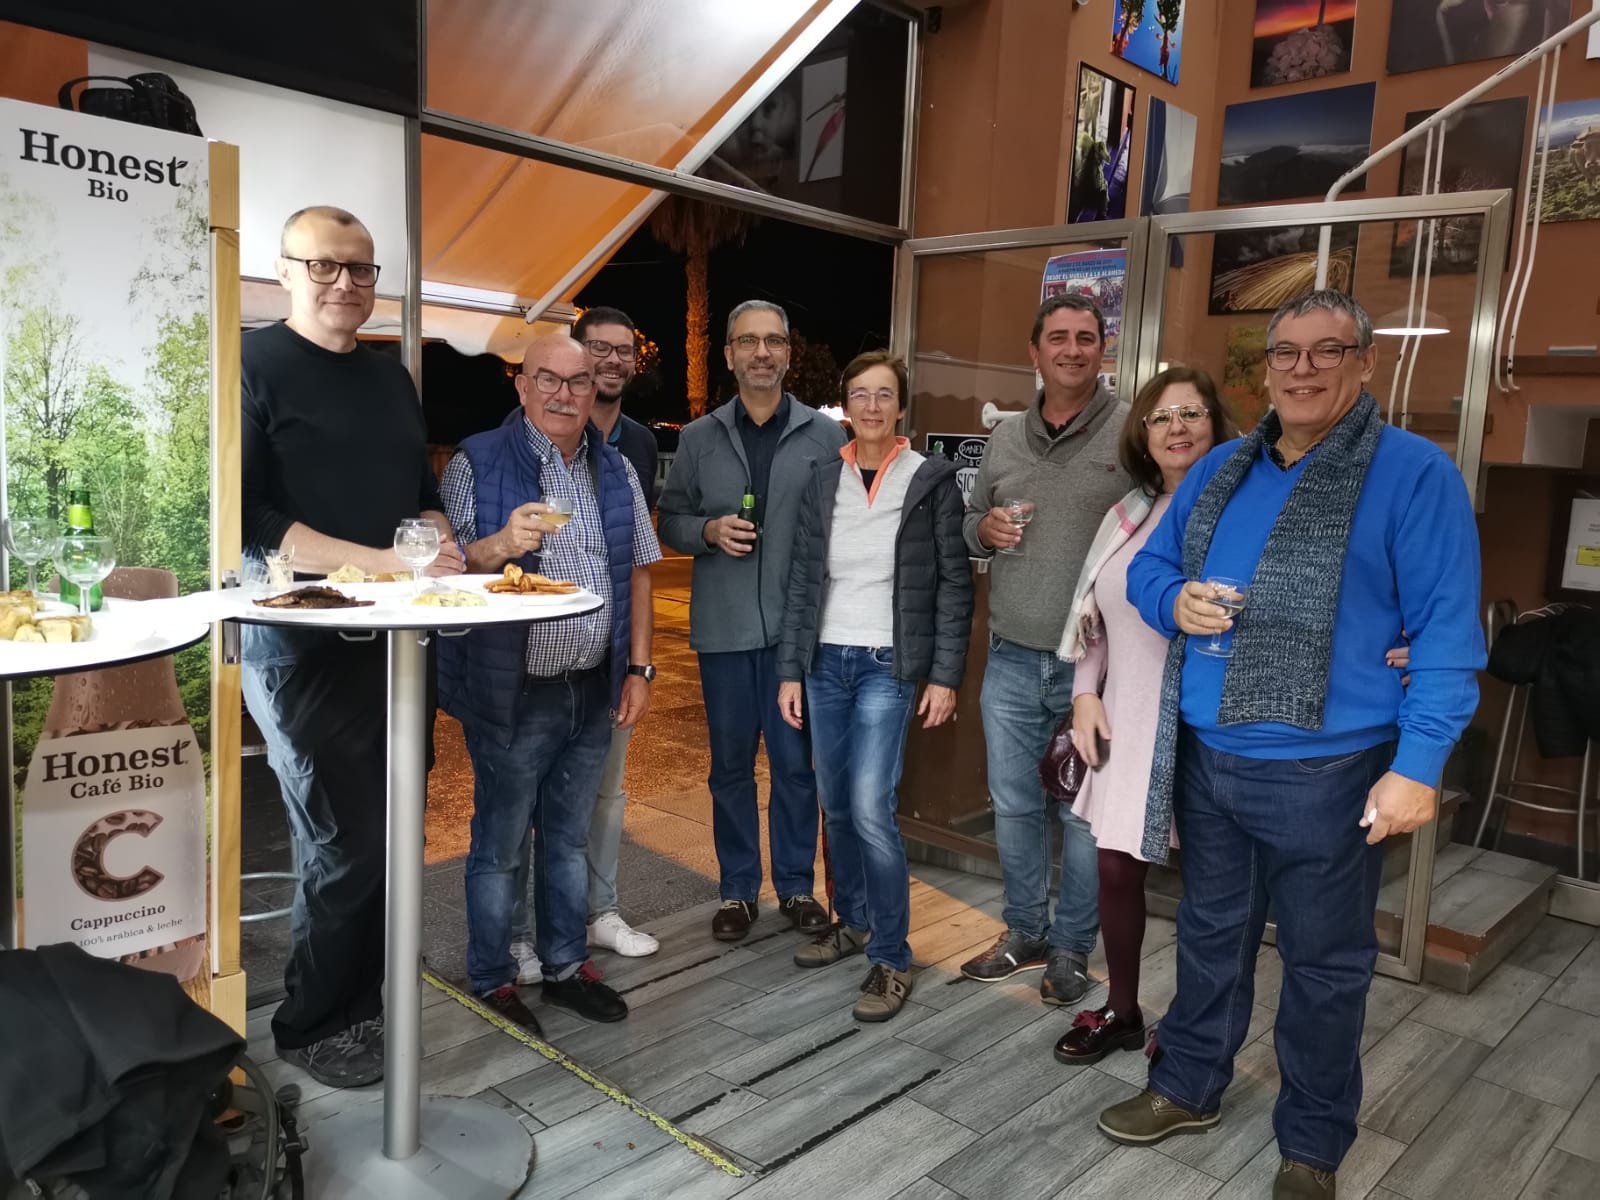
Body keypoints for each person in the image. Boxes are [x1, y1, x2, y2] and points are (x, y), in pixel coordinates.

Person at [1100, 291, 1485, 1200]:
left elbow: (1447, 633)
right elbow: (1148, 568)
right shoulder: (1223, 466)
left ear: (1366, 362)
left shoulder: (1413, 473)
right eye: (1286, 353)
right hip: (1209, 757)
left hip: (1331, 770)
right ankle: (1188, 1086)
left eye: (1327, 351)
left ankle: (1312, 1143)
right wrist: (1173, 601)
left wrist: (1417, 766)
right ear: (1265, 367)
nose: (1303, 369)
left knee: (1324, 967)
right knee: (1208, 938)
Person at [241, 205, 465, 1089]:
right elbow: (252, 519)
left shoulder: (390, 376)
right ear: (285, 271)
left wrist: (438, 537)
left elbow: (418, 489)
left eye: (361, 269)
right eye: (325, 266)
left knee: (395, 833)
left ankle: (366, 1003)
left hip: (399, 645)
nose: (345, 283)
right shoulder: (252, 363)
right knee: (346, 842)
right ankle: (310, 1023)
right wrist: (381, 563)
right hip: (303, 648)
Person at [438, 335, 661, 1034]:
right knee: (500, 844)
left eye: (579, 381)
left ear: (595, 388)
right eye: (549, 380)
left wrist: (639, 669)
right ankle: (493, 976)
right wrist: (501, 545)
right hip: (512, 689)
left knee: (567, 839)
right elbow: (448, 569)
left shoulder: (615, 467)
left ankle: (566, 966)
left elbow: (638, 572)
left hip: (591, 686)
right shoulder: (478, 461)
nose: (565, 395)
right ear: (522, 385)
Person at [776, 352, 974, 1021]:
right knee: (835, 805)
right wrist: (790, 669)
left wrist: (944, 675)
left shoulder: (930, 479)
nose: (871, 405)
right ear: (845, 405)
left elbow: (954, 584)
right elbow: (803, 580)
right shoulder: (822, 477)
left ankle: (891, 955)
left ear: (901, 405)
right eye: (859, 393)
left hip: (889, 665)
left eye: (883, 394)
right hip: (824, 662)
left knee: (869, 807)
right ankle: (854, 921)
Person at [1053, 369, 1235, 1064]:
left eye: (1192, 413)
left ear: (1217, 424)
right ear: (1143, 433)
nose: (1177, 428)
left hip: (1207, 725)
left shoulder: (1239, 511)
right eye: (1161, 417)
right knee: (1116, 871)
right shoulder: (1127, 513)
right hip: (1126, 719)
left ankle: (1192, 1028)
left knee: (1211, 890)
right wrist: (1085, 693)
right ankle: (1123, 1009)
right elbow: (1095, 618)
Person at [959, 294, 1131, 1006]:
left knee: (1083, 815)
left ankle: (1071, 948)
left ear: (1102, 350)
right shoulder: (1005, 436)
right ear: (1034, 353)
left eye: (1085, 337)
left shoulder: (1131, 431)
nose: (1072, 349)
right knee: (1013, 804)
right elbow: (972, 518)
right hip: (1010, 656)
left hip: (1095, 667)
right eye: (1057, 337)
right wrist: (983, 532)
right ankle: (1025, 931)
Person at [657, 300, 847, 942]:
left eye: (773, 341)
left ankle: (794, 886)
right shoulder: (698, 437)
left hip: (799, 638)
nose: (761, 352)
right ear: (729, 354)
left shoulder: (827, 438)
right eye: (748, 341)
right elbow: (670, 520)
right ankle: (737, 891)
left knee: (796, 767)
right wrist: (708, 531)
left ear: (789, 353)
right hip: (725, 632)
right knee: (731, 769)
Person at [504, 306, 660, 986]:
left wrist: (640, 665)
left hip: (604, 663)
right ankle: (516, 937)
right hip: (527, 669)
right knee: (518, 811)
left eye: (623, 351)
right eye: (598, 347)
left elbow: (638, 564)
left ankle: (598, 913)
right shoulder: (514, 444)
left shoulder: (636, 447)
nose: (609, 360)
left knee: (603, 796)